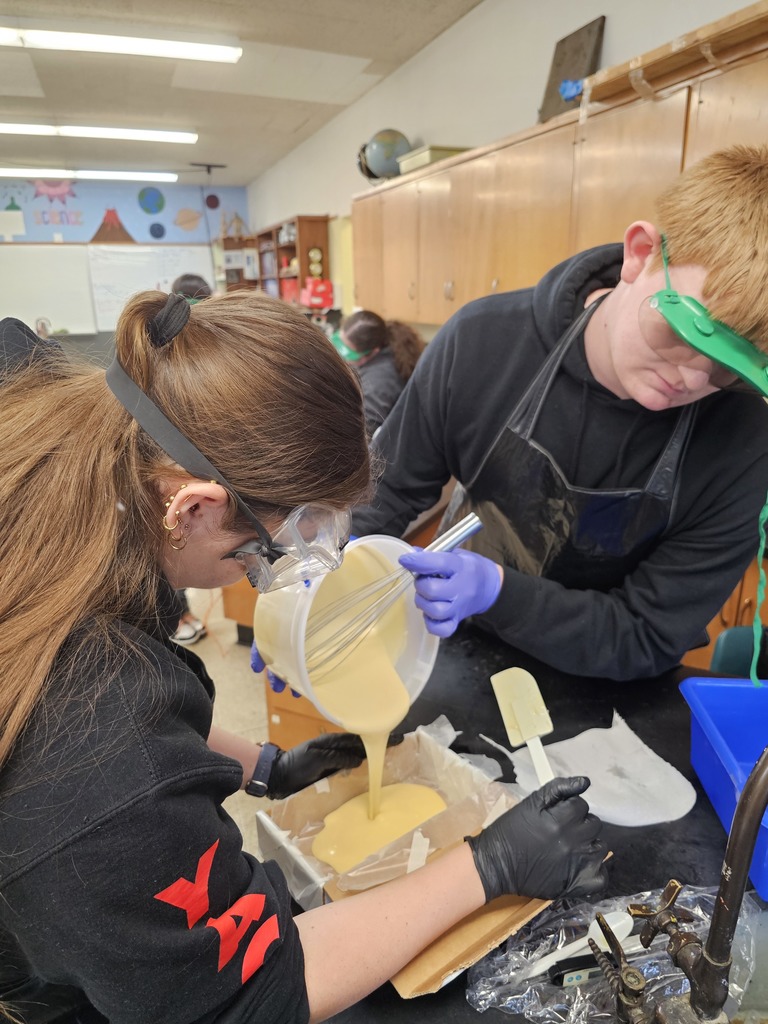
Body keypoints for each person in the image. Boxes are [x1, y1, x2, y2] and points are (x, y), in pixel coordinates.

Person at [0, 296, 607, 1024]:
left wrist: (263, 765)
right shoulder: (93, 746)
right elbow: (249, 996)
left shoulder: (67, 433)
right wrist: (487, 867)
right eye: (261, 552)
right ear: (191, 508)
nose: (270, 572)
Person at [352, 144, 768, 682]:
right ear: (640, 254)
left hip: (612, 686)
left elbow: (647, 633)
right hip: (455, 638)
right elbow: (382, 491)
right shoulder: (482, 342)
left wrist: (502, 593)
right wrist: (315, 592)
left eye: (729, 368)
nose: (692, 378)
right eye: (686, 332)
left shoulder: (743, 439)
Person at [169, 271, 214, 643]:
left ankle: (179, 613)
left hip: (193, 467)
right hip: (173, 473)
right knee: (171, 544)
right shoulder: (166, 357)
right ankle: (177, 615)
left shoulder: (213, 354)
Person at [332, 309, 425, 436]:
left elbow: (365, 431)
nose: (346, 360)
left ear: (373, 351)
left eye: (351, 355)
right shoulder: (386, 351)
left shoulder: (379, 380)